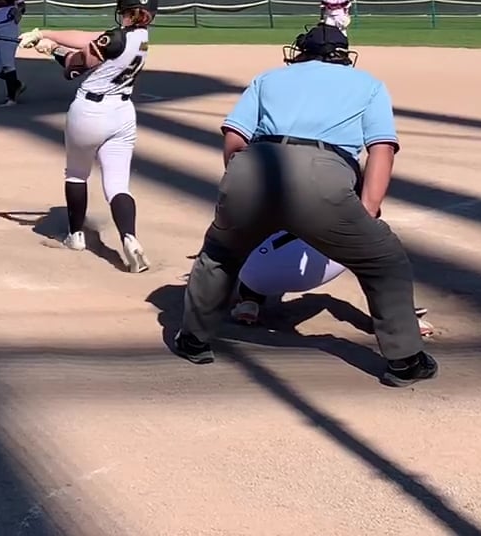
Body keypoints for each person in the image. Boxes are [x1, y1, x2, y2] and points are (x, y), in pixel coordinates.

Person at [171, 23, 436, 387]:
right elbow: (381, 149)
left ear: (300, 52)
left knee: (219, 254)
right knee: (383, 260)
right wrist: (369, 209)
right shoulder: (368, 84)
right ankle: (405, 361)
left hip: (254, 166)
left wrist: (239, 181)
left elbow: (234, 138)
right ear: (344, 56)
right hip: (323, 173)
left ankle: (193, 341)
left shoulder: (268, 78)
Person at [20, 0, 158, 273]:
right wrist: (45, 34)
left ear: (124, 8)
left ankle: (76, 236)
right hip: (122, 114)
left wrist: (52, 50)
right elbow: (91, 38)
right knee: (118, 185)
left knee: (76, 174)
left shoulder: (115, 39)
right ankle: (130, 238)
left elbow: (74, 67)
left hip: (90, 113)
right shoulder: (141, 37)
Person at [231, 230, 434, 339]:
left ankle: (248, 303)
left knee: (251, 237)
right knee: (376, 248)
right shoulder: (339, 176)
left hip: (255, 274)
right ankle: (399, 319)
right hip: (321, 267)